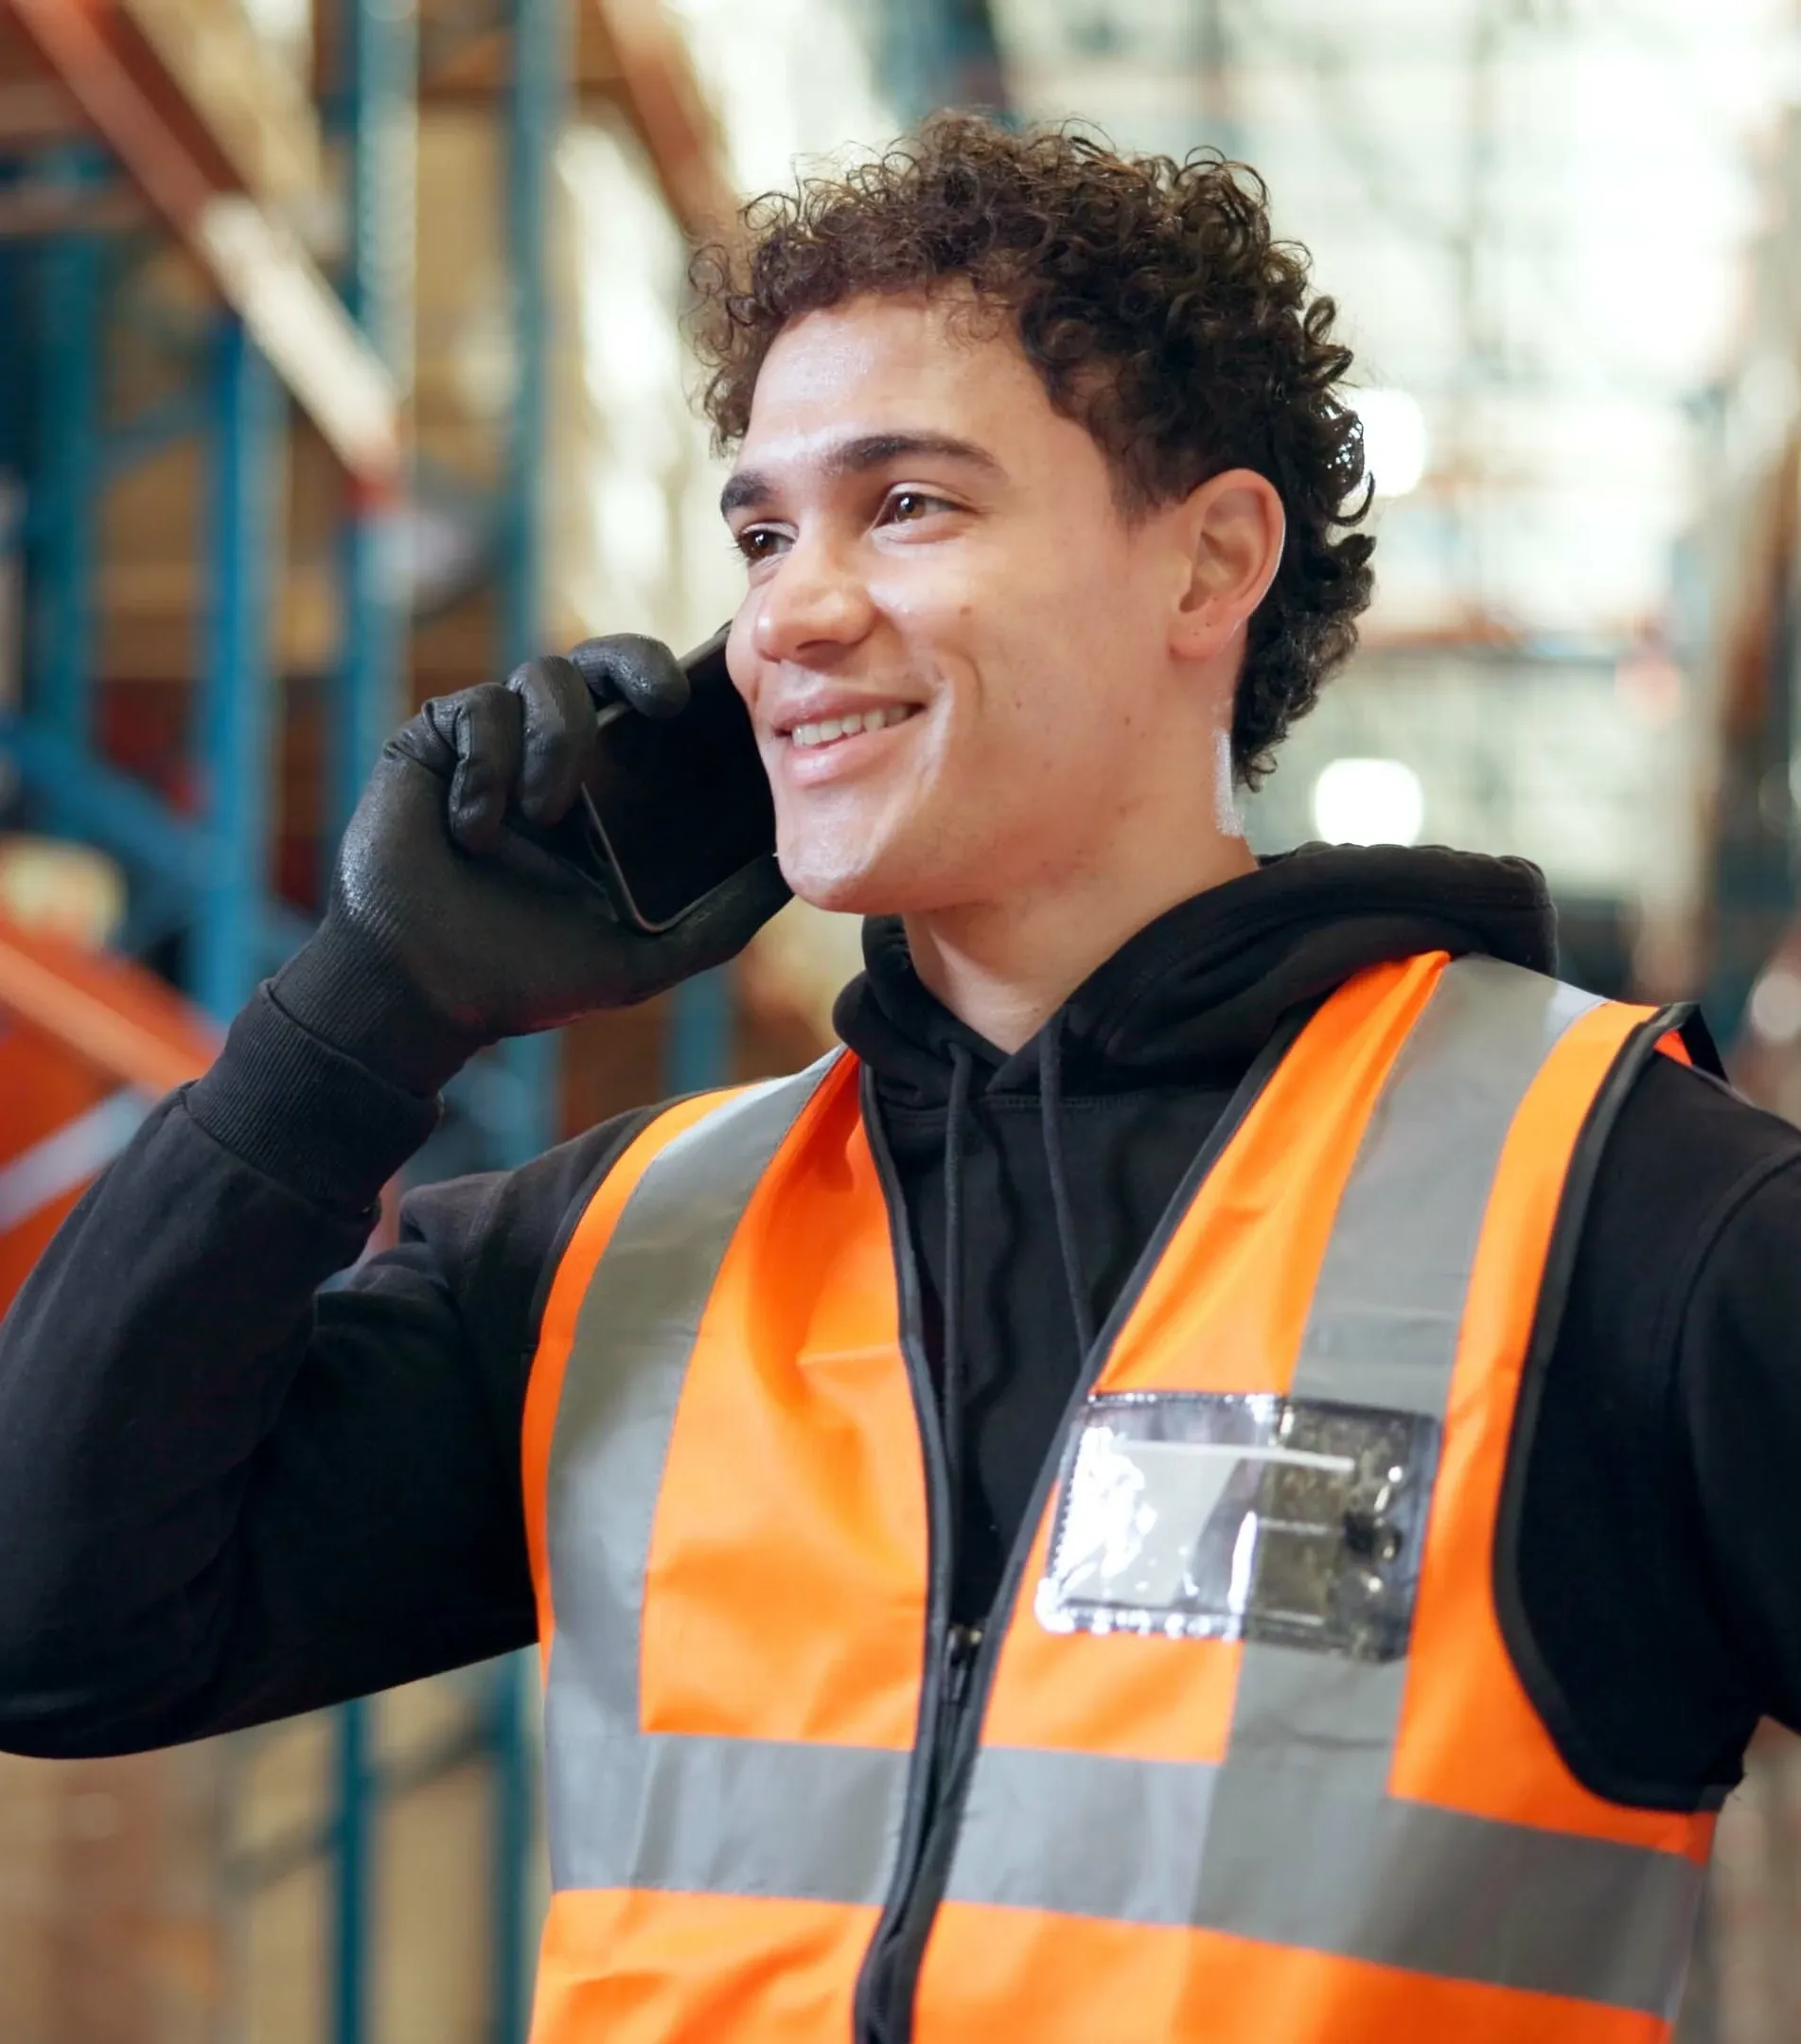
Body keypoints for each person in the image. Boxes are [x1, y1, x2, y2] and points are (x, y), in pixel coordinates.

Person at [0, 111, 1794, 2043]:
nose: (786, 612)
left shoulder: (1624, 1215)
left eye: (909, 507)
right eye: (762, 530)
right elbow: (58, 1629)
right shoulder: (627, 1253)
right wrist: (368, 1005)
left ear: (1211, 561)